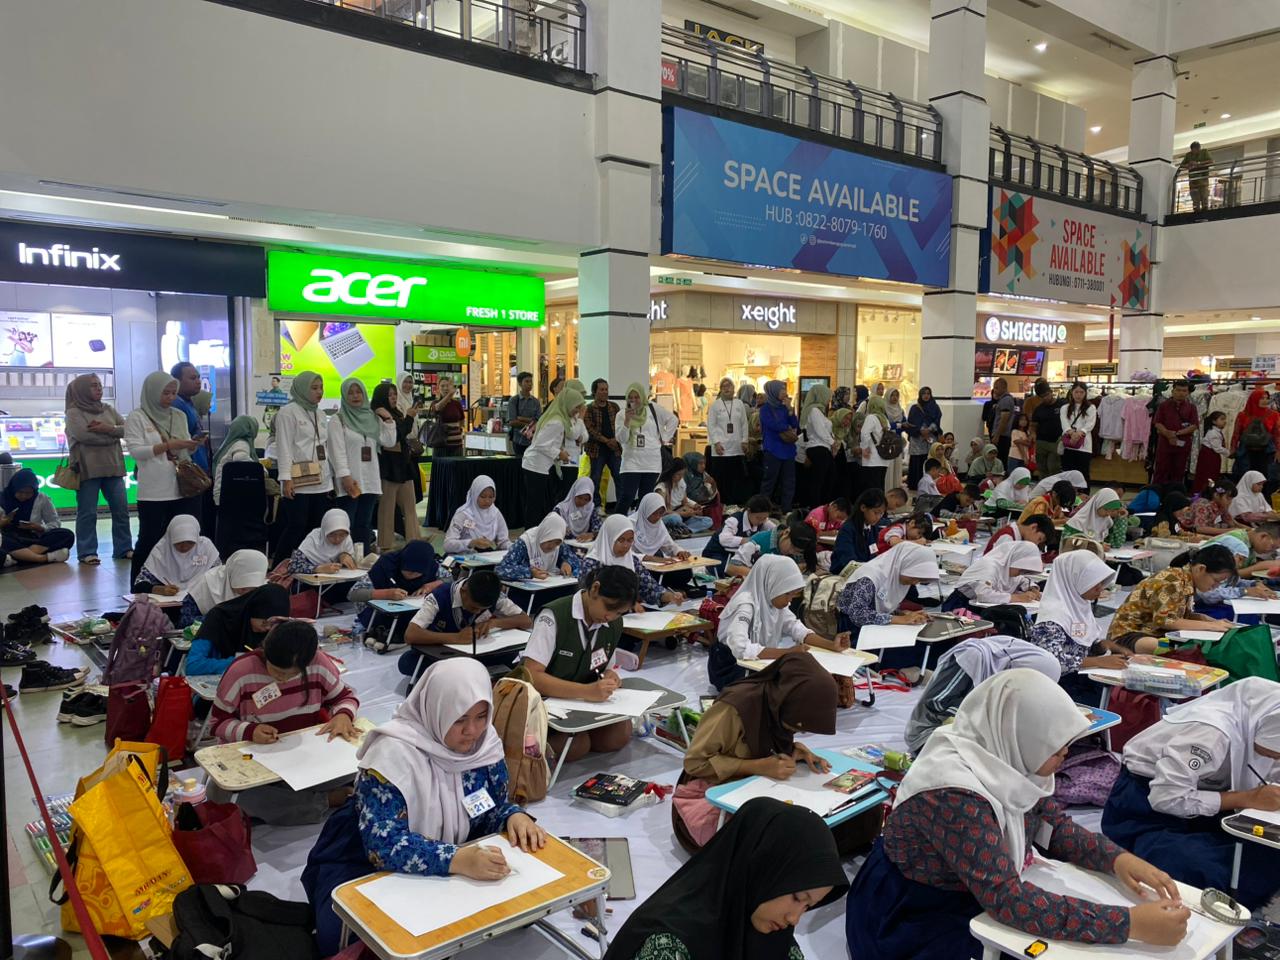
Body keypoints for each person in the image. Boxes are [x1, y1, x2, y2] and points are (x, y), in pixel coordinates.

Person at [846, 670, 1190, 959]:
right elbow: (1006, 900)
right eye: (1054, 745)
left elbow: (1052, 827)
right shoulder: (954, 794)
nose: (1065, 753)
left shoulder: (1000, 753)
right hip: (916, 911)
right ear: (1017, 734)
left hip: (970, 890)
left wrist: (1117, 860)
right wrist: (1129, 924)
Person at [303, 658, 547, 957]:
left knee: (523, 904)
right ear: (436, 710)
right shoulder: (392, 755)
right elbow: (384, 844)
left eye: (482, 716)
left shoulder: (485, 747)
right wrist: (456, 859)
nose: (472, 731)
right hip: (365, 857)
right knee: (347, 933)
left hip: (459, 849)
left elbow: (487, 808)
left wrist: (512, 815)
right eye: (459, 719)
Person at [1103, 678, 1280, 908]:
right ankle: (1220, 914)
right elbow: (1166, 798)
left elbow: (1270, 767)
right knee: (1202, 868)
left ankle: (1242, 905)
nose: (1276, 759)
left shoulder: (1260, 720)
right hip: (1143, 809)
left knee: (1265, 851)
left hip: (1201, 802)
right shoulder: (1212, 733)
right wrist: (1246, 798)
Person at [611, 797, 847, 960]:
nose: (794, 918)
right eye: (797, 897)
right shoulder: (667, 945)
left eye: (807, 906)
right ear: (760, 868)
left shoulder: (768, 928)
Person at [674, 658, 839, 852]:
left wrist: (795, 750)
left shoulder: (777, 703)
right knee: (774, 843)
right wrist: (758, 767)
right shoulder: (734, 708)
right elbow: (695, 763)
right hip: (710, 790)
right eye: (797, 728)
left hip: (754, 785)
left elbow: (766, 740)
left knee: (833, 825)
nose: (797, 732)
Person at [209, 620, 360, 824]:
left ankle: (300, 799)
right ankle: (326, 800)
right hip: (255, 761)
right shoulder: (241, 671)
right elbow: (217, 722)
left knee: (359, 765)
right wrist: (249, 731)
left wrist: (343, 715)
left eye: (292, 674)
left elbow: (346, 697)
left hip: (305, 759)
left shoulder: (319, 662)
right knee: (230, 796)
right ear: (265, 651)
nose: (282, 679)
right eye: (276, 671)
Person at [522, 565, 640, 763]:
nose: (610, 617)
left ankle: (581, 733)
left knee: (619, 734)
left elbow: (605, 666)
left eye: (620, 613)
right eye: (609, 607)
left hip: (583, 702)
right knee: (576, 746)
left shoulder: (613, 624)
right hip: (545, 702)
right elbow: (532, 675)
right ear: (595, 589)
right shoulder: (554, 616)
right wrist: (586, 691)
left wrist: (610, 676)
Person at [905, 636, 1061, 754]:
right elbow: (937, 703)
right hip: (930, 734)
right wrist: (989, 713)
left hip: (969, 732)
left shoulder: (1005, 670)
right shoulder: (972, 657)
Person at [710, 556, 844, 690]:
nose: (790, 600)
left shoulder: (773, 601)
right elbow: (740, 648)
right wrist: (787, 653)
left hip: (756, 663)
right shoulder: (745, 605)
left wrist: (831, 645)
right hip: (730, 669)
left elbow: (796, 628)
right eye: (787, 594)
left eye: (793, 595)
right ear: (772, 585)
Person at [125, 371, 203, 582]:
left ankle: (176, 581)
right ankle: (139, 585)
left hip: (182, 488)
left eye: (173, 393)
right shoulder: (137, 417)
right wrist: (167, 445)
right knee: (149, 540)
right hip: (154, 492)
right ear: (152, 392)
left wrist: (191, 445)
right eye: (165, 393)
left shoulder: (178, 415)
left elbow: (183, 451)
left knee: (182, 538)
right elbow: (136, 451)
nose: (170, 398)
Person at [1028, 550, 1143, 680]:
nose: (1100, 588)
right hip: (1060, 683)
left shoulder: (1079, 607)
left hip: (1080, 676)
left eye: (1101, 583)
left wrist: (1106, 645)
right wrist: (1099, 662)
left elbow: (1081, 644)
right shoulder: (1052, 618)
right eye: (1094, 583)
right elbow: (1050, 661)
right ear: (1074, 580)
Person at [399, 570, 531, 677]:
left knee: (512, 655)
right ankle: (475, 672)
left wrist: (495, 622)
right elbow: (410, 634)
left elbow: (526, 621)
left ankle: (464, 674)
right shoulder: (439, 596)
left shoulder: (494, 595)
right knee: (407, 662)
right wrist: (456, 638)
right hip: (444, 652)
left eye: (483, 609)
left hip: (478, 651)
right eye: (474, 607)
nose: (478, 612)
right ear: (464, 590)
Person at [64, 373, 130, 566]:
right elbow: (84, 436)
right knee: (88, 512)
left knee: (121, 509)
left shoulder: (108, 409)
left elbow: (128, 430)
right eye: (93, 385)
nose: (99, 388)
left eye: (100, 384)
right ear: (82, 389)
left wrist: (107, 429)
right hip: (87, 469)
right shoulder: (74, 412)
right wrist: (113, 435)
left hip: (114, 467)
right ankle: (87, 551)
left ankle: (124, 548)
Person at [1107, 543, 1238, 641]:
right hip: (1128, 635)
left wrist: (1210, 621)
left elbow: (1178, 615)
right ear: (1201, 569)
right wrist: (1211, 626)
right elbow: (1166, 621)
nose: (1216, 586)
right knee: (1167, 649)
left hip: (1150, 632)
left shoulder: (1185, 580)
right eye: (1216, 580)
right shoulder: (1172, 582)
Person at [272, 371, 333, 566]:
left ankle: (307, 565)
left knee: (316, 528)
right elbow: (284, 447)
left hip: (321, 479)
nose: (319, 392)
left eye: (321, 387)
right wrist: (285, 478)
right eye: (314, 388)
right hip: (298, 480)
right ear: (303, 389)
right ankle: (280, 567)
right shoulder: (288, 412)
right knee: (296, 526)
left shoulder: (320, 413)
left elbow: (324, 446)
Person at [326, 379, 393, 554]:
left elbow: (389, 441)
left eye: (358, 392)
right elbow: (336, 451)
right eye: (350, 392)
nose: (355, 396)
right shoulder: (338, 420)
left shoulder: (372, 418)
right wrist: (345, 476)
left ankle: (362, 560)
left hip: (370, 481)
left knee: (364, 524)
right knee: (346, 524)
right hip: (350, 481)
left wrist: (387, 419)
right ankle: (343, 558)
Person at [835, 542, 939, 642]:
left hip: (873, 629)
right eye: (914, 577)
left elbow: (881, 606)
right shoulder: (870, 577)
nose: (915, 583)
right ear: (903, 564)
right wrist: (902, 619)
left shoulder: (895, 575)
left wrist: (905, 614)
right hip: (851, 633)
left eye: (919, 580)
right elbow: (858, 614)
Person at [579, 514, 684, 610]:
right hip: (602, 616)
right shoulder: (591, 563)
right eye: (621, 540)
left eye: (630, 540)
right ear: (609, 538)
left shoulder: (632, 560)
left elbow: (650, 588)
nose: (626, 545)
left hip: (629, 614)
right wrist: (629, 604)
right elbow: (588, 597)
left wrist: (670, 596)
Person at [187, 583, 290, 677]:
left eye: (273, 625)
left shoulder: (274, 629)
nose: (267, 629)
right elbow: (193, 666)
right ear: (251, 611)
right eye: (264, 623)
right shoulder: (219, 617)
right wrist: (239, 661)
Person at [350, 540, 443, 645]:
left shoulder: (432, 567)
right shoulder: (386, 564)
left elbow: (451, 581)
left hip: (414, 615)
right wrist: (386, 594)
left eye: (417, 573)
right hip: (381, 614)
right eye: (408, 570)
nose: (412, 575)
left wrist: (432, 585)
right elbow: (354, 594)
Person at [521, 384, 586, 527]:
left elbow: (550, 442)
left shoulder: (559, 418)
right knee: (535, 504)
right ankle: (531, 533)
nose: (577, 411)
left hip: (539, 465)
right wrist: (559, 453)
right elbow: (540, 443)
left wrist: (559, 451)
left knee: (537, 503)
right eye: (576, 407)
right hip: (535, 465)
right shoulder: (557, 421)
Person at [370, 382, 422, 552]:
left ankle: (415, 541)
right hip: (389, 465)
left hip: (403, 464)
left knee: (410, 506)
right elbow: (395, 436)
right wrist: (409, 418)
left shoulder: (396, 412)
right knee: (387, 507)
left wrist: (408, 417)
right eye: (389, 395)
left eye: (394, 394)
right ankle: (385, 544)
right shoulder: (379, 415)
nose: (393, 398)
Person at [614, 383, 677, 517]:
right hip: (631, 462)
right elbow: (621, 439)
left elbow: (673, 420)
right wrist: (627, 421)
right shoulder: (621, 414)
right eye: (630, 397)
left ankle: (640, 524)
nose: (634, 400)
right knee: (627, 496)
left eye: (637, 397)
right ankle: (616, 524)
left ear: (642, 396)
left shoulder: (653, 409)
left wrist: (664, 438)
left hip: (651, 462)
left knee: (646, 499)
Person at [134, 515, 218, 611]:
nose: (184, 547)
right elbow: (139, 584)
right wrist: (159, 589)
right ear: (170, 539)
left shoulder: (206, 548)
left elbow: (218, 577)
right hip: (167, 608)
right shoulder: (161, 551)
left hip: (201, 604)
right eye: (179, 542)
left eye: (190, 542)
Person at [0, 468, 74, 566]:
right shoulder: (3, 498)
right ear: (13, 488)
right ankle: (43, 558)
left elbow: (54, 522)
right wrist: (3, 523)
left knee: (67, 534)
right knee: (4, 540)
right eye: (20, 492)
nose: (24, 496)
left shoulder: (41, 498)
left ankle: (18, 557)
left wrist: (40, 528)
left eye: (28, 493)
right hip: (8, 537)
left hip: (32, 539)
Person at [943, 541, 1042, 611]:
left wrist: (1032, 588)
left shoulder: (1009, 568)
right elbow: (984, 595)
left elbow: (1023, 580)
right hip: (962, 606)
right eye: (1021, 569)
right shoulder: (989, 566)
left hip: (986, 608)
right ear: (1013, 559)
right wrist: (1018, 597)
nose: (1021, 573)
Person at [495, 512, 580, 581]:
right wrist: (529, 572)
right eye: (549, 540)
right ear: (543, 534)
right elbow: (500, 569)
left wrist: (568, 564)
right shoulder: (525, 543)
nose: (552, 546)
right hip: (525, 592)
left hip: (551, 587)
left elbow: (578, 563)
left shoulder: (559, 545)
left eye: (557, 543)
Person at [187, 548, 269, 619]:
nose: (246, 591)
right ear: (231, 573)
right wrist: (217, 618)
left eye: (253, 588)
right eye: (242, 585)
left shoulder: (264, 591)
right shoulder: (207, 584)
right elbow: (186, 620)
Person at [727, 515, 819, 578]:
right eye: (792, 547)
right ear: (786, 533)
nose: (792, 552)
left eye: (797, 552)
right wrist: (767, 576)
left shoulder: (802, 546)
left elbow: (809, 568)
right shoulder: (759, 541)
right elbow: (732, 567)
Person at [706, 377, 750, 508]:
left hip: (737, 447)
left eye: (729, 386)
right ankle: (722, 504)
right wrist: (716, 443)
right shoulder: (715, 405)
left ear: (734, 388)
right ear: (720, 389)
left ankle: (735, 504)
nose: (726, 388)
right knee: (722, 478)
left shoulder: (739, 404)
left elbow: (744, 423)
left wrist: (745, 440)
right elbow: (711, 425)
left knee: (736, 478)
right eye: (723, 386)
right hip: (721, 448)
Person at [703, 494, 774, 572]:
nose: (761, 521)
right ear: (749, 511)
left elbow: (775, 531)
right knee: (746, 572)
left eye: (764, 518)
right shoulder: (734, 520)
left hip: (736, 556)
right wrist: (749, 540)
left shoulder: (763, 521)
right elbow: (724, 539)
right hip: (716, 555)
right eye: (758, 518)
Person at [442, 475, 511, 554]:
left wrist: (513, 546)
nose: (487, 501)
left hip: (485, 556)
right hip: (462, 555)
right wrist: (471, 543)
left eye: (491, 497)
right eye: (483, 497)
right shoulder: (463, 514)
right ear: (475, 494)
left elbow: (503, 542)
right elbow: (447, 545)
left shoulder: (495, 513)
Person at [758, 380, 799, 512]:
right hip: (773, 449)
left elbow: (795, 424)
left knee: (789, 482)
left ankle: (787, 509)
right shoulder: (765, 409)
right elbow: (772, 425)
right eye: (782, 390)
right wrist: (786, 427)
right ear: (774, 391)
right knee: (769, 482)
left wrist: (790, 410)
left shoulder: (785, 407)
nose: (785, 393)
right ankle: (762, 509)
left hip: (788, 450)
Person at [583, 379, 622, 510]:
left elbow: (620, 425)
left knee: (619, 477)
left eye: (606, 389)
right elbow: (590, 430)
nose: (605, 392)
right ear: (594, 392)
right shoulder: (589, 409)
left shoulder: (614, 407)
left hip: (614, 449)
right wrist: (607, 441)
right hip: (597, 450)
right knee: (595, 478)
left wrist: (615, 440)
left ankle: (622, 506)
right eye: (602, 389)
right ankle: (597, 506)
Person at [1151, 380, 1198, 487]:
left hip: (1182, 444)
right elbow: (1157, 423)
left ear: (1188, 393)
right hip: (1165, 444)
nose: (1181, 393)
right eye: (1178, 390)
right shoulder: (1163, 406)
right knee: (1161, 470)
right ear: (1172, 391)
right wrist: (1167, 433)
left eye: (1184, 391)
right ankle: (1157, 493)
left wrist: (1177, 434)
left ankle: (1174, 493)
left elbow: (1194, 425)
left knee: (1178, 472)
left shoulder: (1191, 407)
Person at [169, 361, 211, 479]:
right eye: (193, 378)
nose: (198, 381)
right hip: (187, 470)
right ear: (177, 381)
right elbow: (178, 441)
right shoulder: (176, 405)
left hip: (197, 466)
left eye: (198, 377)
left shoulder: (188, 402)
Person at [798, 384, 836, 508]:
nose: (828, 400)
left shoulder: (819, 411)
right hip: (818, 448)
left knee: (827, 479)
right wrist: (832, 442)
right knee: (819, 481)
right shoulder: (814, 411)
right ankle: (816, 507)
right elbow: (820, 430)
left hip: (823, 448)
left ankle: (822, 506)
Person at [830, 489, 887, 571]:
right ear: (863, 507)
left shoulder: (873, 528)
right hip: (845, 572)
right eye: (875, 512)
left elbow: (873, 554)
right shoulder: (847, 529)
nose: (878, 517)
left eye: (881, 513)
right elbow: (848, 561)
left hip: (865, 571)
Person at [211, 415, 259, 508]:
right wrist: (263, 471)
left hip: (223, 494)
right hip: (230, 497)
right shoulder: (241, 444)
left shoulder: (232, 442)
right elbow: (241, 459)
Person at [1231, 388, 1280, 478]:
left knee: (1265, 477)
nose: (1265, 401)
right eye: (1262, 398)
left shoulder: (1274, 415)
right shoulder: (1243, 415)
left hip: (1266, 452)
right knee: (1246, 476)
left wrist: (1278, 450)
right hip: (1246, 451)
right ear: (1254, 399)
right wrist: (1233, 449)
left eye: (1267, 398)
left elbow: (1277, 434)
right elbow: (1236, 433)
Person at [905, 387, 943, 491]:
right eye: (924, 393)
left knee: (929, 460)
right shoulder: (915, 408)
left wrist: (929, 429)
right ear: (920, 395)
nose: (926, 396)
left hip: (930, 437)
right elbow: (910, 423)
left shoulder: (935, 407)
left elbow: (937, 420)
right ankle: (915, 484)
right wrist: (920, 430)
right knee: (917, 461)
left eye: (928, 393)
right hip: (917, 439)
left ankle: (930, 485)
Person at [1059, 381, 1097, 484]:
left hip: (1085, 447)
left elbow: (1090, 424)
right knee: (1067, 473)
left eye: (1081, 392)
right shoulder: (1065, 408)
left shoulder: (1091, 407)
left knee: (1083, 474)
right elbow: (1064, 423)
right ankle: (1068, 492)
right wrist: (1071, 433)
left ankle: (1083, 493)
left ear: (1085, 393)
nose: (1078, 395)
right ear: (1072, 392)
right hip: (1068, 445)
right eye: (1076, 392)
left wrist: (1079, 433)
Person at [859, 395, 894, 493]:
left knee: (871, 488)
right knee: (880, 486)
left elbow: (864, 433)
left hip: (872, 458)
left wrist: (864, 448)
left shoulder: (871, 417)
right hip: (883, 458)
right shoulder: (885, 420)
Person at [1030, 381, 1062, 478]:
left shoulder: (1062, 404)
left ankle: (1054, 487)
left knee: (1054, 468)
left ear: (1051, 392)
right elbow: (1033, 425)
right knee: (1042, 469)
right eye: (1042, 396)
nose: (1045, 398)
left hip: (1056, 442)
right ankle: (1043, 486)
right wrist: (1033, 434)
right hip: (1041, 442)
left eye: (1046, 395)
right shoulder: (1038, 409)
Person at [506, 371, 541, 459]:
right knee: (519, 462)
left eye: (531, 381)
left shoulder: (535, 402)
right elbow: (512, 421)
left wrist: (521, 418)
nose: (530, 384)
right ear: (520, 384)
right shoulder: (514, 400)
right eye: (526, 381)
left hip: (533, 441)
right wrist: (530, 423)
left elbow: (538, 420)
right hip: (518, 440)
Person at [554, 477, 602, 541]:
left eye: (586, 500)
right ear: (574, 493)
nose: (582, 502)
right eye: (579, 497)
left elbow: (600, 529)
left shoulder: (590, 509)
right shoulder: (561, 509)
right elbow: (551, 528)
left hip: (585, 544)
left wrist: (592, 535)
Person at [428, 375, 465, 458]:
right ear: (438, 388)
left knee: (457, 465)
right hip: (441, 444)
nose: (445, 388)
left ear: (451, 387)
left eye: (448, 385)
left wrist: (457, 431)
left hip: (457, 444)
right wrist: (449, 395)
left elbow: (462, 421)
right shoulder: (435, 403)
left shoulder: (457, 404)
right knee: (442, 466)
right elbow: (437, 408)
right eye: (442, 386)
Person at [1192, 411, 1229, 494]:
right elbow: (1217, 448)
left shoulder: (1216, 432)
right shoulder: (1213, 433)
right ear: (1214, 421)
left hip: (1212, 456)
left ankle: (1208, 491)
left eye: (1225, 419)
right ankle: (1205, 492)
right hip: (1209, 457)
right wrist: (1229, 453)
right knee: (1208, 475)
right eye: (1222, 419)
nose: (1225, 421)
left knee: (1212, 474)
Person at [983, 514, 1054, 555]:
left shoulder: (1017, 536)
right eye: (1039, 539)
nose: (1036, 544)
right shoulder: (1007, 537)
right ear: (1033, 527)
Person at [988, 377, 1018, 465]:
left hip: (1002, 436)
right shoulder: (1002, 400)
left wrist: (997, 435)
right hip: (1002, 435)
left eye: (997, 388)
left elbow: (1004, 419)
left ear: (1004, 388)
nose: (995, 390)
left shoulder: (1006, 400)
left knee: (1000, 460)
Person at [1178, 140, 1214, 212]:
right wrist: (1188, 165)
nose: (1195, 151)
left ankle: (1205, 209)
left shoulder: (1204, 152)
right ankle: (1196, 209)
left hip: (1203, 178)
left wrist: (1198, 163)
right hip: (1193, 180)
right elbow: (1181, 165)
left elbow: (1211, 161)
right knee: (1195, 197)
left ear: (1199, 148)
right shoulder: (1188, 155)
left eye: (1197, 149)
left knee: (1204, 195)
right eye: (1194, 150)